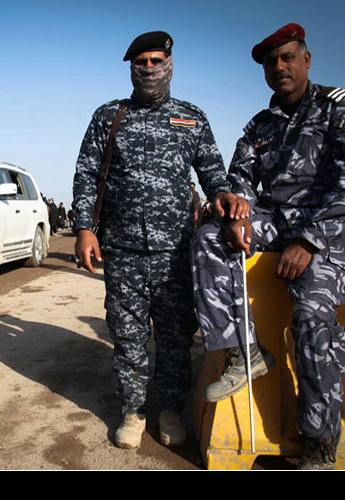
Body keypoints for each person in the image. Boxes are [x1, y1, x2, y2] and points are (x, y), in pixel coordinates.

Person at [192, 23, 345, 469]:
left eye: (287, 57)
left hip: (330, 228)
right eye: (271, 62)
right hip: (275, 221)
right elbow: (240, 178)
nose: (280, 67)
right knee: (210, 237)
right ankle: (244, 351)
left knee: (312, 317)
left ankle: (318, 445)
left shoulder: (342, 108)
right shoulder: (260, 125)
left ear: (306, 59)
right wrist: (237, 212)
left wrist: (310, 241)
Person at [72, 31, 248, 449]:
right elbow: (86, 175)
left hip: (175, 250)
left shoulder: (192, 117)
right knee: (127, 335)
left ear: (170, 64)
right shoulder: (108, 115)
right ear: (131, 68)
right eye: (141, 62)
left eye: (156, 61)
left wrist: (223, 195)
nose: (149, 68)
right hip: (123, 248)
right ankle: (132, 412)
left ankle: (169, 409)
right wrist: (83, 229)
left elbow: (213, 173)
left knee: (174, 336)